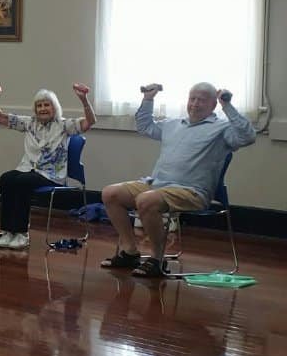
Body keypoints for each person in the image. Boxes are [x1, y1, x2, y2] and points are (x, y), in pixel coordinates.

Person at [99, 82, 255, 277]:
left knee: (146, 200)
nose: (195, 104)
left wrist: (227, 105)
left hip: (191, 191)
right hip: (156, 184)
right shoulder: (173, 124)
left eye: (202, 100)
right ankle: (130, 252)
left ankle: (157, 259)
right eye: (192, 99)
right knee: (110, 193)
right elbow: (145, 127)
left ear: (213, 105)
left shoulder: (222, 129)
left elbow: (248, 137)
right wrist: (148, 99)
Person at [0, 83, 96, 250]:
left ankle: (22, 233)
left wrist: (84, 100)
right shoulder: (29, 123)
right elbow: (0, 117)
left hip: (51, 175)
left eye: (47, 105)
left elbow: (90, 121)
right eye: (39, 106)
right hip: (28, 169)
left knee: (22, 182)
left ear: (54, 107)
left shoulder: (64, 125)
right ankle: (9, 231)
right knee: (6, 179)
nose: (43, 108)